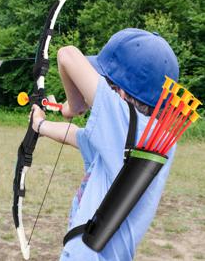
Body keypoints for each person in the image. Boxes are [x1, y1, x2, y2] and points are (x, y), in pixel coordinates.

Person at [31, 28, 179, 260]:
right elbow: (76, 135)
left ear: (119, 93)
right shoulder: (155, 140)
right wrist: (40, 125)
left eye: (107, 83)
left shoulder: (122, 119)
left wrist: (73, 107)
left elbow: (67, 55)